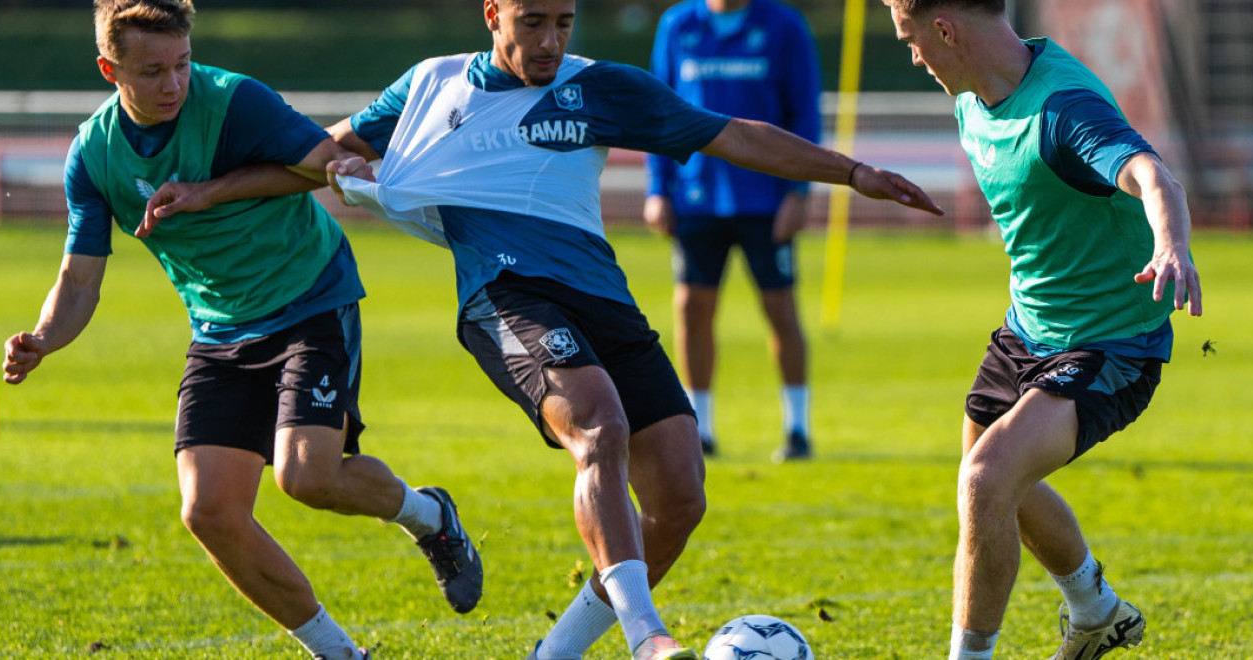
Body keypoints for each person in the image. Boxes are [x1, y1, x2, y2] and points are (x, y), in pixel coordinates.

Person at [320, 1, 941, 658]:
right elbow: (325, 146)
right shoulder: (431, 87)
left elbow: (733, 135)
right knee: (599, 426)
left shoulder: (602, 87)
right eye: (532, 22)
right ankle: (648, 639)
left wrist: (851, 172)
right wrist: (340, 167)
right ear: (493, 14)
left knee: (679, 494)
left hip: (600, 297)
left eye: (564, 22)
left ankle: (553, 653)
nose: (551, 41)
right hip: (502, 294)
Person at [0, 2, 482, 658]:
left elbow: (322, 162)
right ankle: (340, 654)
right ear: (109, 70)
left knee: (307, 476)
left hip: (310, 299)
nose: (173, 84)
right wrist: (44, 338)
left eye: (181, 63)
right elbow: (80, 280)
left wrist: (216, 189)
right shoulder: (94, 154)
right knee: (209, 513)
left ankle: (431, 517)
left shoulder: (234, 102)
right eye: (151, 72)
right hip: (220, 330)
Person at [881, 1, 1203, 658]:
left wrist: (1170, 245)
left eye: (910, 40)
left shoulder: (1062, 109)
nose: (912, 57)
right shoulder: (973, 98)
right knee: (986, 479)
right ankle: (1097, 610)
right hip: (1027, 330)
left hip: (1111, 344)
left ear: (944, 31)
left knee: (986, 480)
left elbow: (1152, 174)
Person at [644, 0, 822, 462]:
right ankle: (698, 431)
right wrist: (657, 189)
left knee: (780, 308)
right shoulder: (678, 25)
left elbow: (803, 111)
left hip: (767, 200)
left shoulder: (784, 25)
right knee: (692, 309)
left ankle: (797, 429)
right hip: (697, 197)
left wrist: (799, 191)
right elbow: (657, 113)